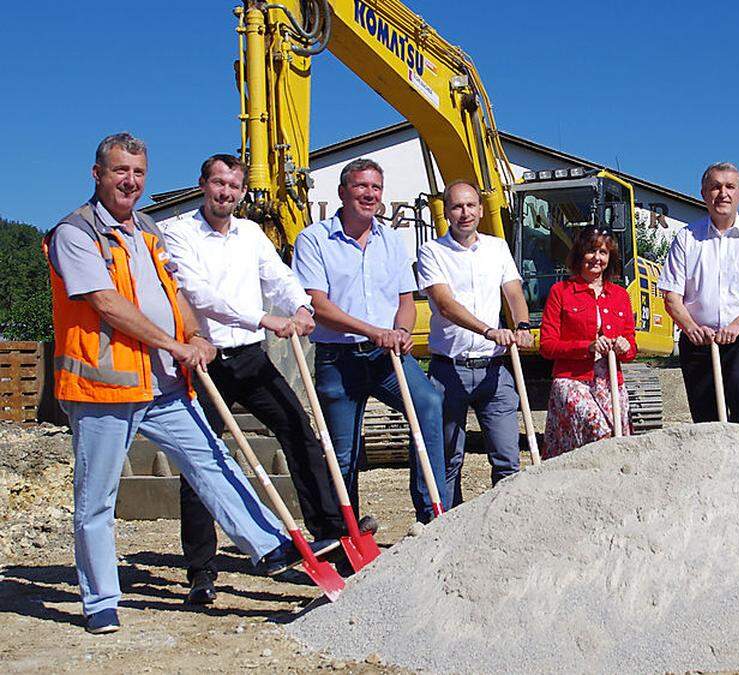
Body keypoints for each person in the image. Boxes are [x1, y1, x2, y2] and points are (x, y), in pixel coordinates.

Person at [44, 133, 306, 634]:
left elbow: (175, 291)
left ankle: (267, 545)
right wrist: (173, 343)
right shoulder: (75, 234)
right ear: (97, 174)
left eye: (139, 173)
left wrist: (195, 334)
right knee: (96, 499)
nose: (131, 181)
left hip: (162, 385)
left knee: (211, 459)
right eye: (120, 171)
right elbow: (106, 304)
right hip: (104, 390)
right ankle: (101, 601)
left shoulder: (147, 230)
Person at [161, 153, 344, 605]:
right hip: (202, 358)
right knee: (201, 460)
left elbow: (277, 274)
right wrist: (266, 318)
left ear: (243, 192)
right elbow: (201, 293)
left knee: (297, 428)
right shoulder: (179, 232)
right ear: (203, 184)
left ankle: (327, 533)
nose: (226, 192)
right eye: (218, 183)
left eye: (234, 186)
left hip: (248, 357)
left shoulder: (251, 232)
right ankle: (202, 570)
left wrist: (300, 305)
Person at [291, 158, 447, 523]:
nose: (370, 194)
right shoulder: (314, 240)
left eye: (376, 187)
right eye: (361, 186)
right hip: (338, 359)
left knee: (428, 403)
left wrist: (403, 332)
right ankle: (345, 531)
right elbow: (317, 304)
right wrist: (373, 331)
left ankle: (433, 512)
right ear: (343, 192)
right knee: (342, 451)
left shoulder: (392, 241)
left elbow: (405, 302)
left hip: (386, 359)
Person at [417, 181, 533, 507]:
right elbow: (444, 304)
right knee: (449, 461)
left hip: (494, 372)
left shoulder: (497, 248)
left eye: (471, 206)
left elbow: (513, 292)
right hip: (448, 371)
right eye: (457, 207)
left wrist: (521, 325)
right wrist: (488, 330)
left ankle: (504, 526)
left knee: (508, 460)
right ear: (447, 212)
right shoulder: (432, 252)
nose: (465, 213)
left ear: (481, 211)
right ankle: (448, 528)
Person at [658, 162, 739, 423]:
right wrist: (691, 327)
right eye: (715, 187)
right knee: (706, 415)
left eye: (730, 187)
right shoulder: (686, 238)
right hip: (698, 340)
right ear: (704, 194)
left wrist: (737, 325)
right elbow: (671, 295)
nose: (723, 193)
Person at [539, 225, 637, 457]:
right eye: (591, 251)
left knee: (618, 438)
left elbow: (631, 347)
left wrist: (625, 346)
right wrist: (587, 346)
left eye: (603, 252)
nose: (597, 258)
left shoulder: (620, 295)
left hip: (610, 379)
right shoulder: (561, 291)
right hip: (572, 379)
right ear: (580, 254)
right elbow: (547, 345)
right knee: (598, 430)